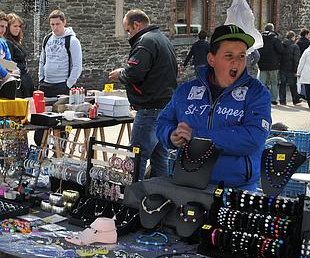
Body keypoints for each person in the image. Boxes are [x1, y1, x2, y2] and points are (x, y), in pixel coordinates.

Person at [156, 24, 272, 189]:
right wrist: (171, 135)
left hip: (236, 187)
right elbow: (163, 122)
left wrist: (197, 136)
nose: (236, 62)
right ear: (212, 59)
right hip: (188, 182)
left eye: (241, 56)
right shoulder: (186, 90)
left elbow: (253, 138)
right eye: (228, 55)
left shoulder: (257, 93)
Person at [108, 10, 178, 179]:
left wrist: (121, 74)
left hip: (150, 108)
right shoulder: (162, 39)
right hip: (165, 106)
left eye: (128, 30)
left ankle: (134, 197)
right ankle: (160, 197)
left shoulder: (145, 42)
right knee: (159, 157)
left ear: (137, 25)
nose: (128, 34)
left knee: (136, 156)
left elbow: (135, 73)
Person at [38, 9, 83, 97]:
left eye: (58, 24)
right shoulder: (47, 38)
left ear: (64, 22)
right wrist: (41, 78)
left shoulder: (72, 41)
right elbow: (42, 60)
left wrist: (68, 85)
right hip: (46, 84)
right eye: (52, 24)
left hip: (62, 84)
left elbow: (77, 66)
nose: (55, 27)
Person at [5, 12, 34, 97]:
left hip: (24, 79)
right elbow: (9, 63)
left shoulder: (14, 42)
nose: (18, 29)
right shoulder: (7, 42)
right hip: (18, 81)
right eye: (15, 26)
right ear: (8, 27)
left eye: (19, 26)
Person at [257, 23, 284, 105]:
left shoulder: (260, 38)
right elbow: (281, 50)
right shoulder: (275, 38)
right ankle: (273, 99)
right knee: (274, 82)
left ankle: (261, 98)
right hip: (273, 64)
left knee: (262, 82)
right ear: (272, 28)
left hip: (262, 64)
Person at [278, 30, 302, 105]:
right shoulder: (295, 46)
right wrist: (296, 70)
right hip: (291, 68)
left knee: (282, 84)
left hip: (282, 67)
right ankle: (295, 99)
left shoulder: (282, 44)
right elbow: (296, 59)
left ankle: (282, 100)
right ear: (292, 37)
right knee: (292, 85)